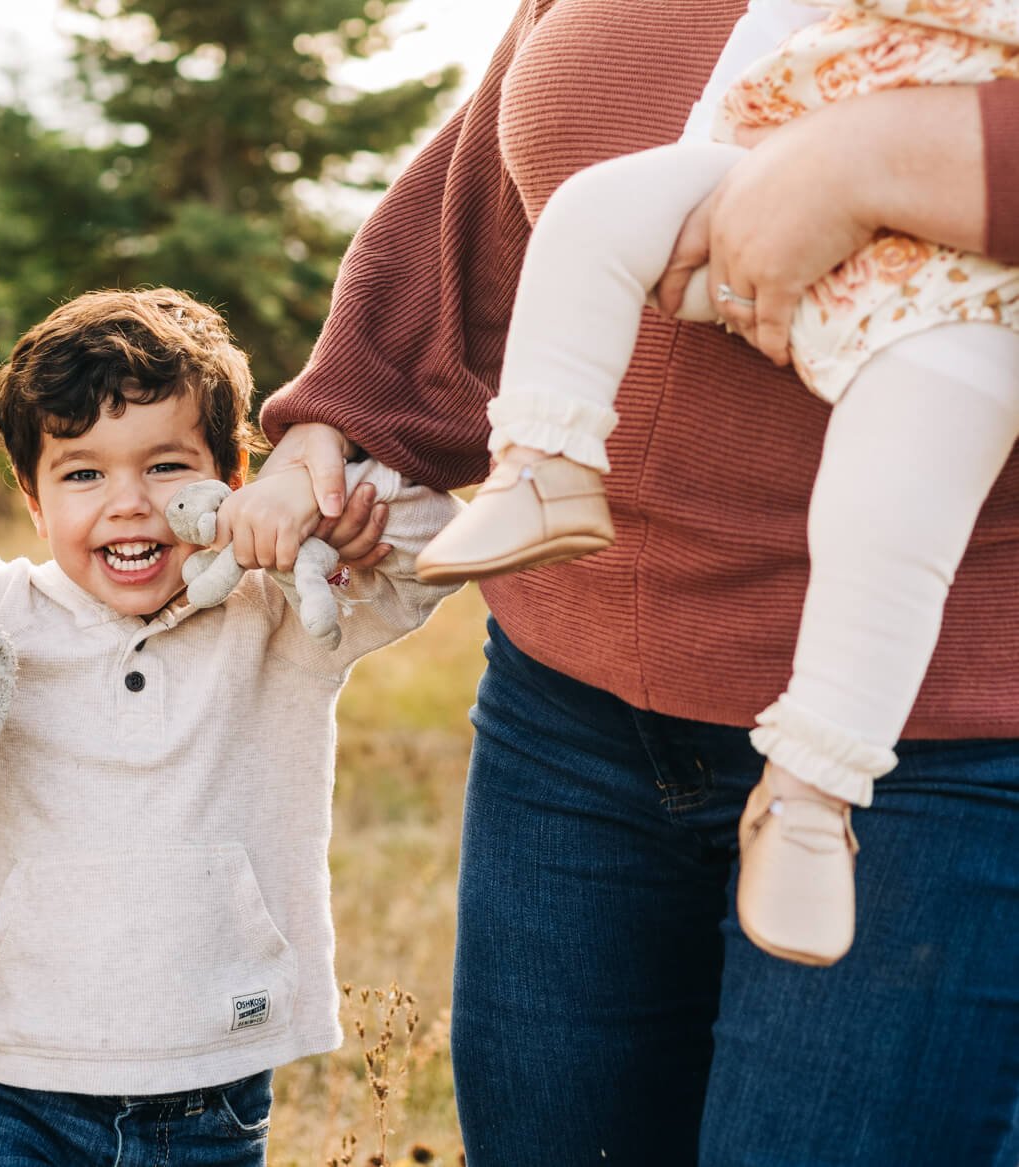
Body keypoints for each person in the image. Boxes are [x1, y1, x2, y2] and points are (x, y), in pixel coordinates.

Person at [218, 1, 1019, 1163]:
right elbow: (490, 179)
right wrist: (337, 420)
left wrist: (877, 160)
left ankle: (812, 782)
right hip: (568, 721)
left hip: (932, 756)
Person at [409, 0, 1019, 969]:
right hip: (752, 190)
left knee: (894, 512)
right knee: (596, 210)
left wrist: (866, 163)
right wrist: (723, 192)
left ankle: (810, 800)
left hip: (966, 299)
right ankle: (545, 466)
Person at [0, 288, 459, 1166]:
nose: (129, 504)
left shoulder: (279, 616)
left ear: (229, 474)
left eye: (165, 466)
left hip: (211, 1077)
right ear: (33, 500)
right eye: (83, 474)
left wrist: (312, 496)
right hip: (12, 1074)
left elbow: (436, 542)